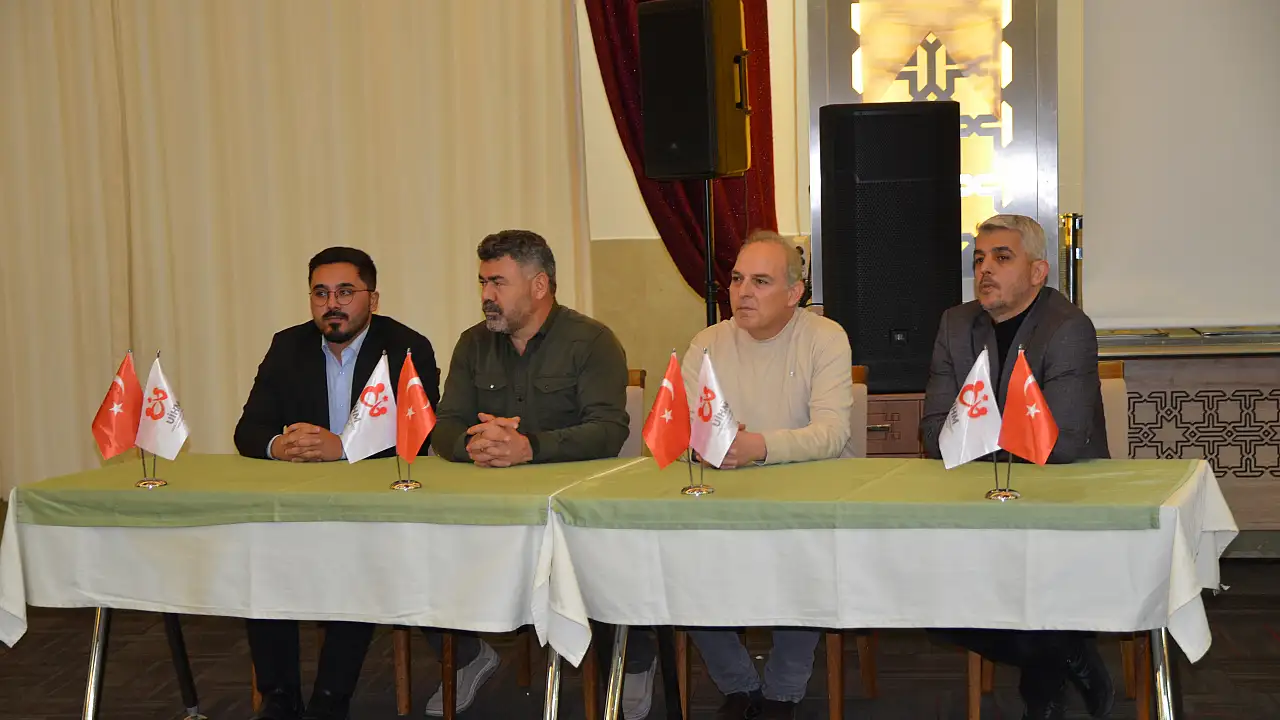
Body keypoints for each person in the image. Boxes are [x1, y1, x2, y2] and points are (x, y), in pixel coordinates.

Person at [428, 230, 636, 716]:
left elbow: (608, 431)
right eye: (483, 282)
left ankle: (630, 661)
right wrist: (474, 444)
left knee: (608, 566)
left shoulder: (591, 341)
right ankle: (467, 656)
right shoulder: (473, 344)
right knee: (417, 552)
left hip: (569, 511)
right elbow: (443, 424)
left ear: (539, 286)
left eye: (498, 282)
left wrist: (529, 448)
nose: (486, 295)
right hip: (489, 509)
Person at [920, 214, 1113, 720]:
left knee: (1034, 584)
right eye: (979, 259)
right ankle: (1070, 651)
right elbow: (935, 434)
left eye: (1002, 258)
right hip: (977, 502)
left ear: (1037, 272)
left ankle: (1042, 697)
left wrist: (975, 439)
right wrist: (987, 440)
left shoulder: (1067, 327)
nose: (985, 269)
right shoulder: (955, 324)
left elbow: (1060, 443)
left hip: (1060, 503)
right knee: (926, 598)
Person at [234, 247, 440, 720]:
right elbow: (248, 430)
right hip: (300, 502)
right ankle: (279, 697)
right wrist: (278, 446)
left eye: (346, 292)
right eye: (321, 293)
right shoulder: (288, 346)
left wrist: (344, 448)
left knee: (356, 559)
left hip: (372, 504)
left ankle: (331, 699)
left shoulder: (407, 347)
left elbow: (421, 434)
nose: (333, 304)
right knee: (260, 556)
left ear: (373, 299)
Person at [682, 230, 854, 720]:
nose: (743, 292)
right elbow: (683, 430)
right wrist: (710, 445)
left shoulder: (825, 337)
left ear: (794, 293)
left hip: (806, 502)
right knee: (680, 560)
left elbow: (832, 434)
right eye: (737, 279)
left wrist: (756, 446)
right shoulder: (707, 343)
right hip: (725, 499)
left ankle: (783, 691)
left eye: (760, 281)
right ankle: (738, 685)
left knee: (803, 561)